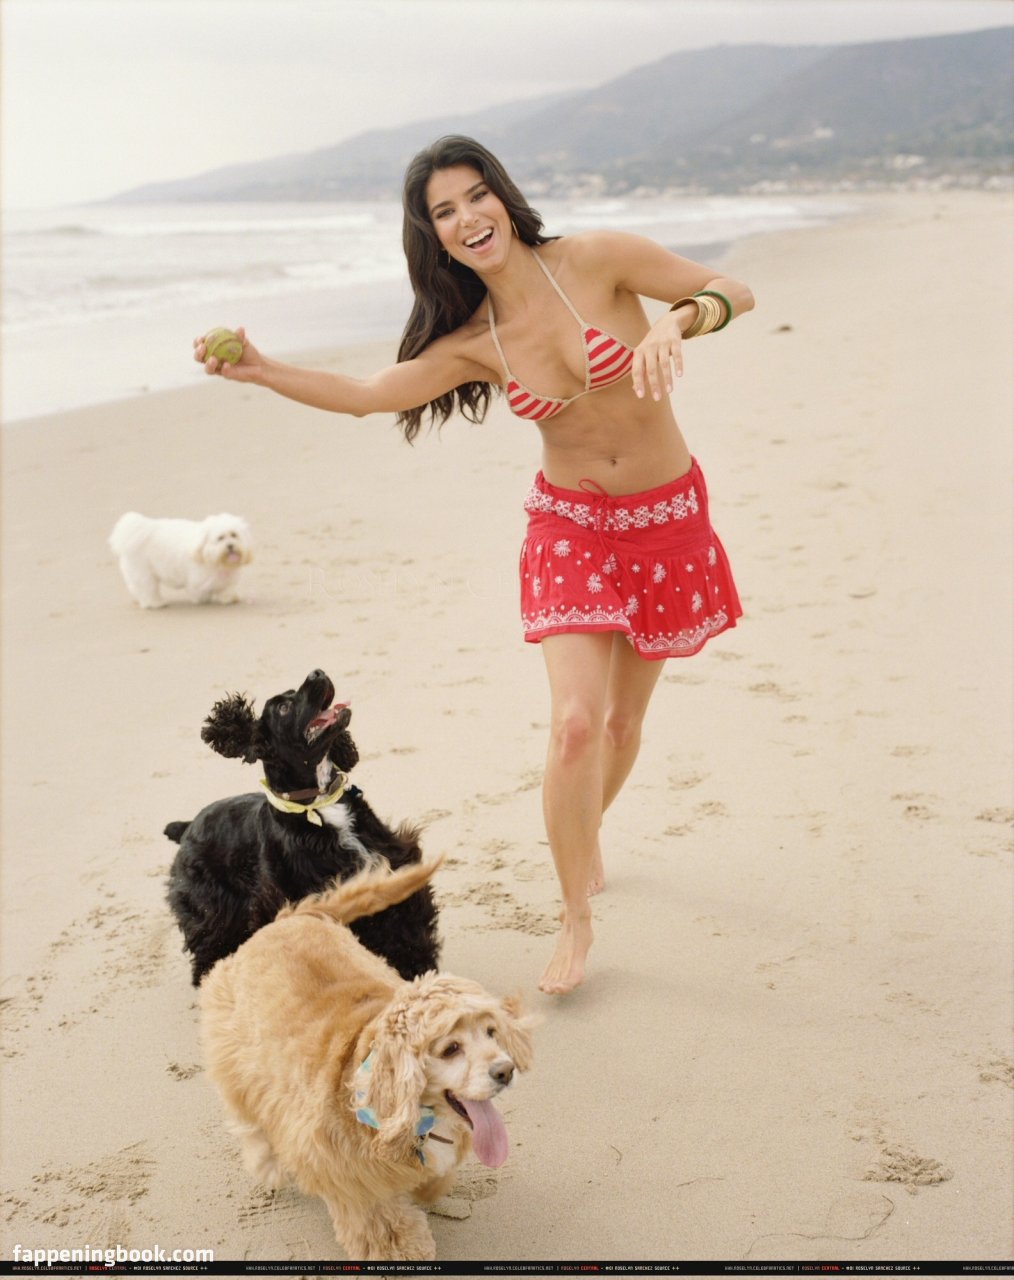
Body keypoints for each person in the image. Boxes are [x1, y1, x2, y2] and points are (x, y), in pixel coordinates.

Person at [194, 135, 754, 996]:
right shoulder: (473, 339)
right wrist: (265, 370)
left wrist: (675, 321)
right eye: (443, 213)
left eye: (474, 196)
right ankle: (576, 914)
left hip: (664, 519)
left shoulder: (598, 260)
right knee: (575, 725)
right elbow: (370, 396)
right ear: (436, 238)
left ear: (502, 195)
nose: (466, 219)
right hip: (571, 525)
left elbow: (732, 289)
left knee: (618, 729)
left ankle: (585, 832)